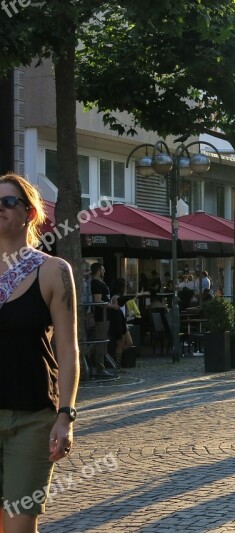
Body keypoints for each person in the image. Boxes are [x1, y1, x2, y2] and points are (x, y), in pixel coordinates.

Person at [0, 173, 79, 532]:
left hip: (32, 418)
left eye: (8, 202)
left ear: (30, 213)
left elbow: (67, 348)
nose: (0, 208)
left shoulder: (52, 271)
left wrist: (65, 416)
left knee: (18, 525)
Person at [89, 262, 114, 377]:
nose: (104, 271)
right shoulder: (96, 283)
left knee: (101, 341)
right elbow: (97, 301)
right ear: (99, 270)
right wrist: (111, 306)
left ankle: (97, 363)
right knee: (100, 342)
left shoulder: (100, 282)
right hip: (101, 316)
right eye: (103, 269)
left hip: (106, 316)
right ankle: (100, 368)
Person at [108, 277, 132, 372]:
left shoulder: (118, 296)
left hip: (122, 320)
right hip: (117, 320)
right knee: (120, 343)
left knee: (129, 342)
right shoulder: (115, 297)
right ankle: (118, 365)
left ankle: (116, 356)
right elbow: (121, 302)